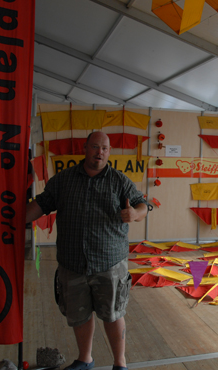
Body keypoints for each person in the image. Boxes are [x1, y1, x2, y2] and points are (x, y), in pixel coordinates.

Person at [26, 131, 148, 370]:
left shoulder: (119, 181)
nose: (99, 152)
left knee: (113, 314)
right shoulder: (64, 180)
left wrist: (135, 213)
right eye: (94, 147)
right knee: (79, 315)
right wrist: (11, 219)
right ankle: (85, 359)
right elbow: (41, 204)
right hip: (72, 263)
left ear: (109, 152)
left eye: (104, 148)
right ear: (85, 148)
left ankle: (120, 363)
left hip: (109, 263)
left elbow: (143, 204)